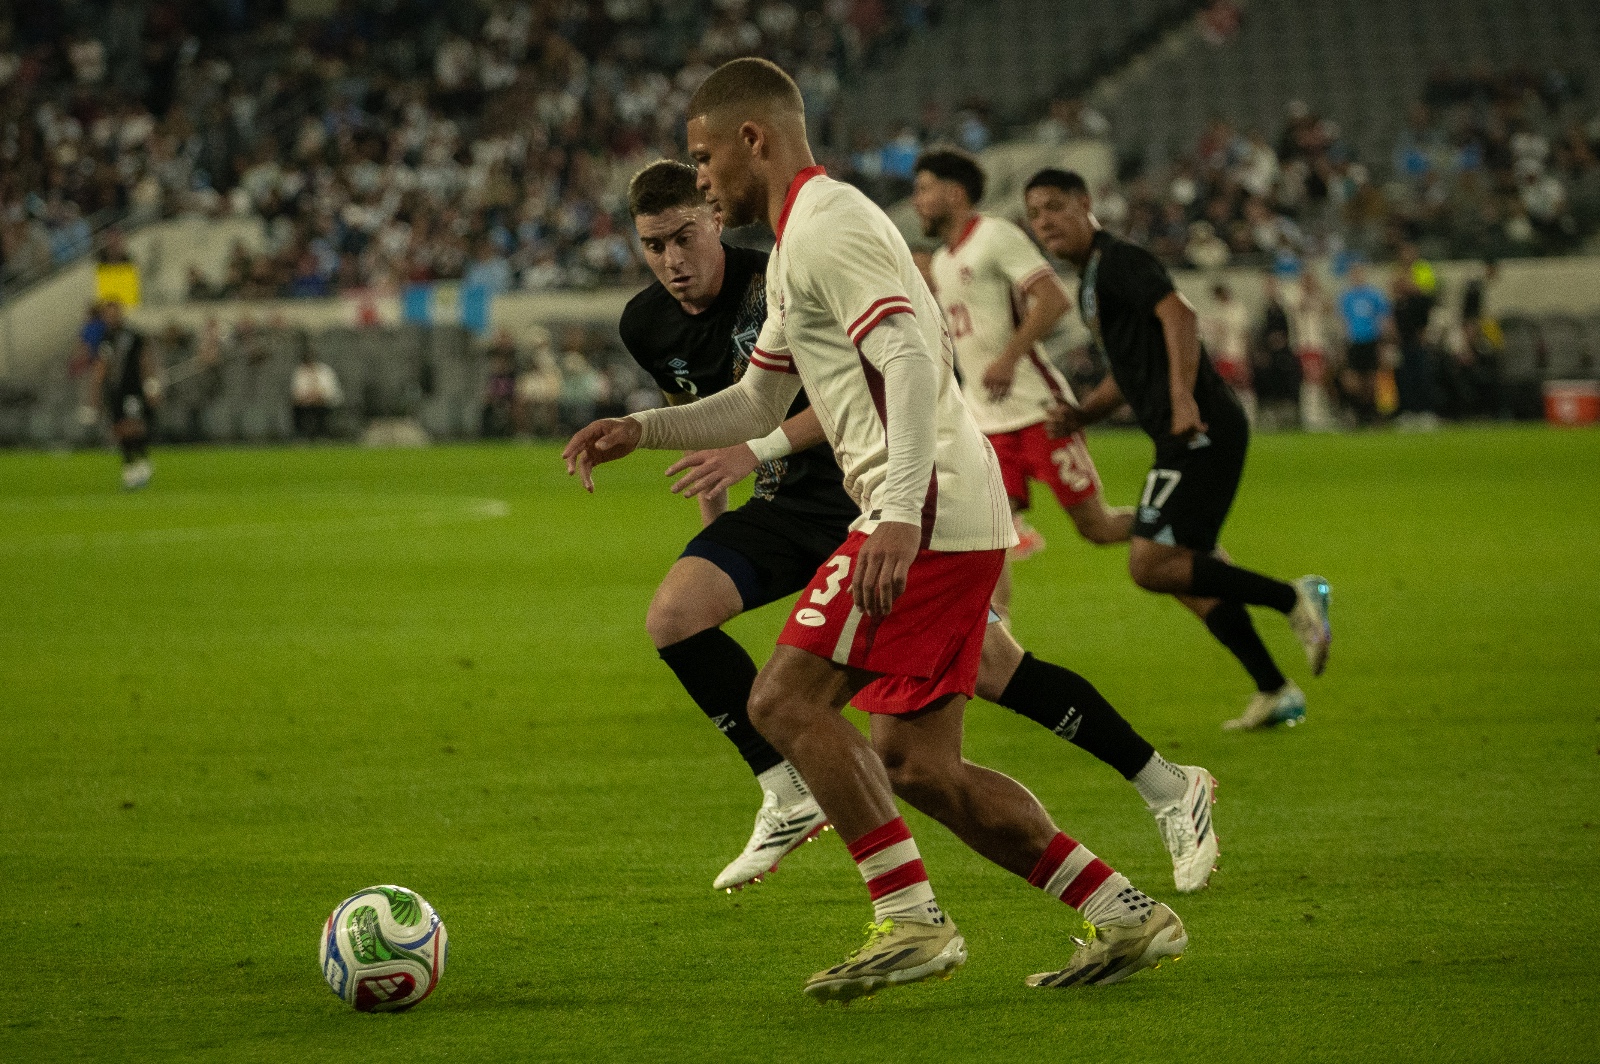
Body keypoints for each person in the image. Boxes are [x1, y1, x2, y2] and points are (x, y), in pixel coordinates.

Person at [566, 59, 1186, 1001]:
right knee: (914, 766)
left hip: (924, 503)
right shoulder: (795, 244)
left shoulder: (829, 224)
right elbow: (757, 398)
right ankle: (1125, 913)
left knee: (783, 702)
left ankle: (910, 921)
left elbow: (903, 352)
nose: (700, 180)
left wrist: (895, 514)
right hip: (936, 504)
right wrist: (639, 431)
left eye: (703, 159)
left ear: (753, 141)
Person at [620, 158, 1218, 897]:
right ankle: (787, 792)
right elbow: (726, 417)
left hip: (864, 498)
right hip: (782, 510)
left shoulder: (784, 268)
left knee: (961, 689)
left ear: (715, 216)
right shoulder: (645, 325)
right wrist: (703, 484)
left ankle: (1139, 800)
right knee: (679, 617)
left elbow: (863, 386)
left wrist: (760, 450)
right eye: (654, 246)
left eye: (685, 236)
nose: (673, 261)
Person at [1023, 168, 1332, 730]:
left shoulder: (1119, 260)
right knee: (1190, 572)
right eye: (1035, 214)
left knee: (1150, 564)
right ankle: (1274, 689)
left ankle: (1293, 597)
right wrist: (1083, 413)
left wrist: (1185, 398)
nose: (1045, 221)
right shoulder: (1091, 280)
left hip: (1200, 429)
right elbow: (1127, 370)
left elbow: (1179, 315)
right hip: (1180, 432)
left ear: (1086, 204)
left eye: (1055, 207)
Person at [910, 149, 1132, 598]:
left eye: (924, 189)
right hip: (985, 420)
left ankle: (1184, 527)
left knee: (1098, 527)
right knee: (985, 531)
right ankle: (999, 641)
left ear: (954, 194)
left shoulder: (994, 235)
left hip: (1037, 410)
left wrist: (1009, 357)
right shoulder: (943, 261)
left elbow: (1053, 299)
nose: (916, 201)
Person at [93, 299, 157, 489]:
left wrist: (151, 385)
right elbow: (102, 366)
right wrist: (96, 390)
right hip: (114, 390)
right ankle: (130, 468)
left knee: (133, 427)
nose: (111, 317)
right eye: (107, 314)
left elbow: (145, 360)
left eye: (114, 313)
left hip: (133, 389)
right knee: (119, 429)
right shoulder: (106, 338)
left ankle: (143, 462)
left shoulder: (133, 335)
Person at [1337, 263, 1391, 425]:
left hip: (1371, 341)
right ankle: (1358, 412)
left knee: (1371, 379)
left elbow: (1383, 319)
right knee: (1353, 380)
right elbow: (1343, 322)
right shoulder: (1347, 297)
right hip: (1354, 342)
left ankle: (1372, 413)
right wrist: (1342, 344)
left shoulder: (1374, 296)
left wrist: (1383, 343)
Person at [291, 347, 342, 440]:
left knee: (320, 411)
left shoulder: (325, 371)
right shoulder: (300, 371)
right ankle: (302, 436)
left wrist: (318, 396)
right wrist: (307, 398)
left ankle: (322, 435)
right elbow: (296, 391)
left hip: (323, 403)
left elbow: (331, 391)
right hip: (305, 405)